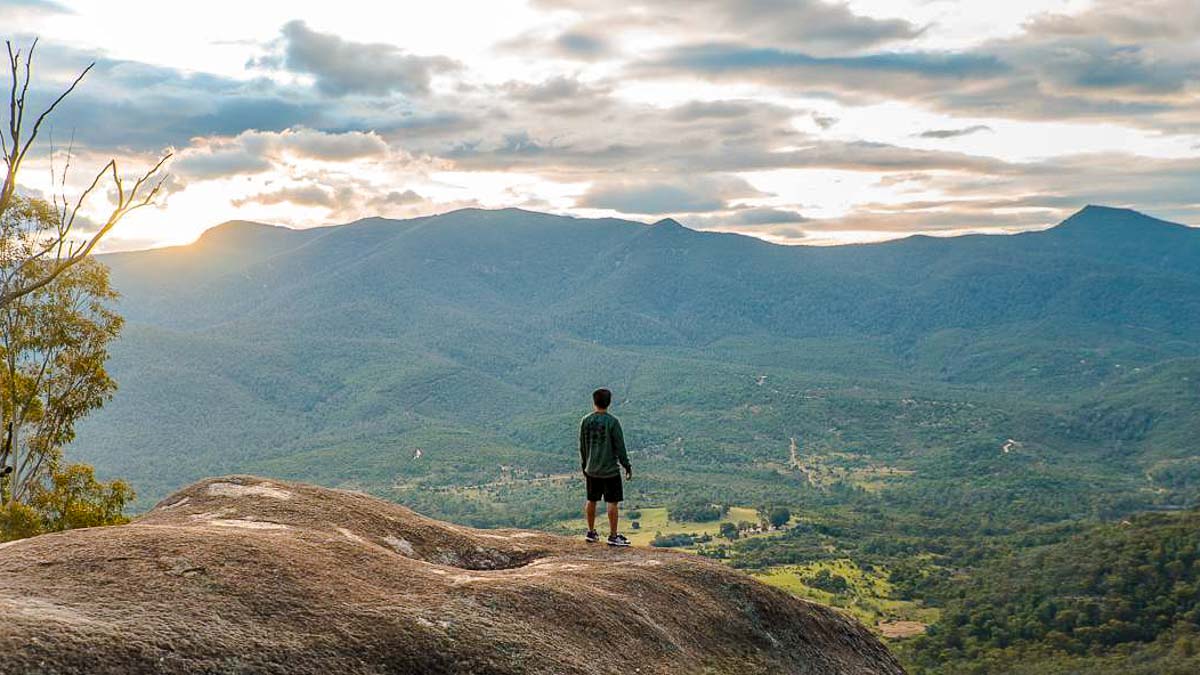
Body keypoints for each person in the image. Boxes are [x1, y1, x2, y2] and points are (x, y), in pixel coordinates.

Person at [579, 388, 632, 546]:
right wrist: (627, 466)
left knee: (591, 499)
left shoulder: (585, 421)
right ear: (609, 402)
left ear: (594, 402)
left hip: (591, 469)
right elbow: (620, 447)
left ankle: (591, 532)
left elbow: (582, 446)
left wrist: (585, 465)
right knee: (612, 502)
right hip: (609, 470)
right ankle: (613, 535)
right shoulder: (613, 422)